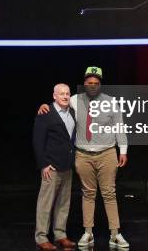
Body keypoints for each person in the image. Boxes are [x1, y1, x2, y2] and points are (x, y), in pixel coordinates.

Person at [38, 67, 129, 249]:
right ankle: (88, 233)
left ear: (100, 84)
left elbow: (119, 126)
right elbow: (58, 103)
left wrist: (123, 150)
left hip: (107, 153)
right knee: (88, 194)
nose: (92, 86)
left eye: (96, 83)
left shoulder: (111, 102)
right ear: (84, 84)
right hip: (83, 155)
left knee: (109, 194)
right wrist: (44, 105)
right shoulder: (74, 100)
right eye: (89, 83)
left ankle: (115, 234)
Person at [33, 84, 77, 250]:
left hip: (67, 166)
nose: (65, 96)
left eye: (67, 93)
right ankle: (41, 237)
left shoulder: (72, 112)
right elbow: (37, 141)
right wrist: (43, 164)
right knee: (45, 203)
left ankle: (60, 235)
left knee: (63, 204)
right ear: (54, 96)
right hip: (51, 167)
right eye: (61, 94)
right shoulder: (46, 113)